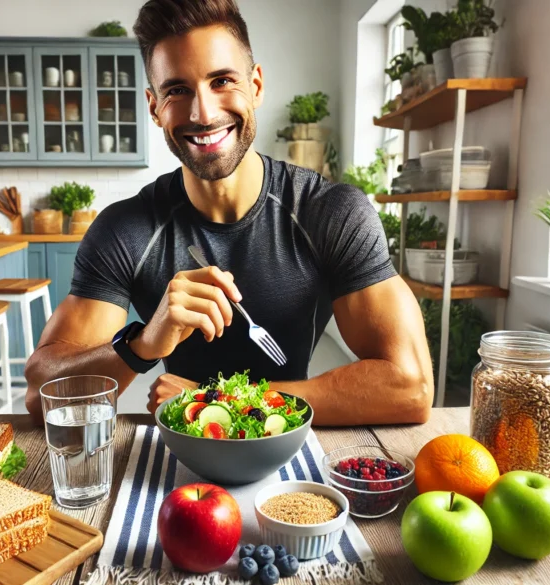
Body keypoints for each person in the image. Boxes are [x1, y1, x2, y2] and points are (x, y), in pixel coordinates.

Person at [25, 0, 433, 426]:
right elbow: (40, 394)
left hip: (294, 456)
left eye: (221, 80)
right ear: (154, 106)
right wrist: (141, 343)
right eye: (177, 90)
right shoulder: (124, 229)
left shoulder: (330, 212)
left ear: (255, 85)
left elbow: (411, 387)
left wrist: (216, 401)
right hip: (176, 462)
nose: (203, 113)